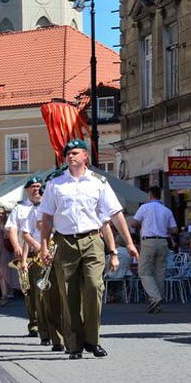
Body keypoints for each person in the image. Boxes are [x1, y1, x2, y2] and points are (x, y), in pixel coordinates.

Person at [39, 139, 138, 359]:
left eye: (75, 153)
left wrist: (129, 242)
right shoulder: (55, 184)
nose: (70, 156)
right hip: (65, 243)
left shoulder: (98, 182)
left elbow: (116, 214)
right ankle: (74, 345)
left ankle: (92, 339)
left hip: (93, 240)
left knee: (94, 286)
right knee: (69, 294)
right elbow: (46, 217)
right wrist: (44, 246)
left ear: (85, 156)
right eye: (67, 154)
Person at [20, 177, 64, 349]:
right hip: (42, 256)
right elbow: (26, 234)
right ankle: (47, 333)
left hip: (61, 251)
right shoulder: (34, 211)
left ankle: (65, 333)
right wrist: (38, 247)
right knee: (42, 296)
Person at [131, 185, 177, 313]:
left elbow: (133, 223)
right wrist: (162, 227)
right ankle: (157, 302)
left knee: (144, 271)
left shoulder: (144, 207)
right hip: (163, 241)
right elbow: (174, 229)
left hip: (148, 241)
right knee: (159, 272)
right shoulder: (166, 210)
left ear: (150, 196)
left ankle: (155, 298)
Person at [6, 178, 43, 335]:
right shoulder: (19, 208)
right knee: (29, 290)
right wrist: (16, 247)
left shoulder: (48, 205)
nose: (36, 189)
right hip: (26, 254)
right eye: (33, 187)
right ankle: (34, 323)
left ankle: (46, 322)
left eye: (38, 186)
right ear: (27, 190)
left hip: (47, 252)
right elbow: (13, 229)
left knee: (44, 290)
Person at [0, 206, 16, 306]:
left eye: (2, 213)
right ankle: (6, 294)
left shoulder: (6, 224)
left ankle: (5, 295)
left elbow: (8, 235)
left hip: (4, 250)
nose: (1, 215)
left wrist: (2, 228)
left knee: (3, 273)